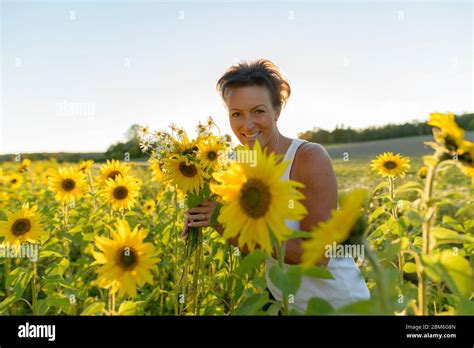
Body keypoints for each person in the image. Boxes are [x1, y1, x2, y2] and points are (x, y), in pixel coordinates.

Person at [183, 59, 370, 312]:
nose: (247, 125)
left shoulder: (308, 157)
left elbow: (318, 257)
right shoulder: (243, 165)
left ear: (277, 110)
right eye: (236, 114)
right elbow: (252, 243)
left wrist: (224, 221)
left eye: (258, 111)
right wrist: (212, 217)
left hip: (340, 304)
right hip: (289, 305)